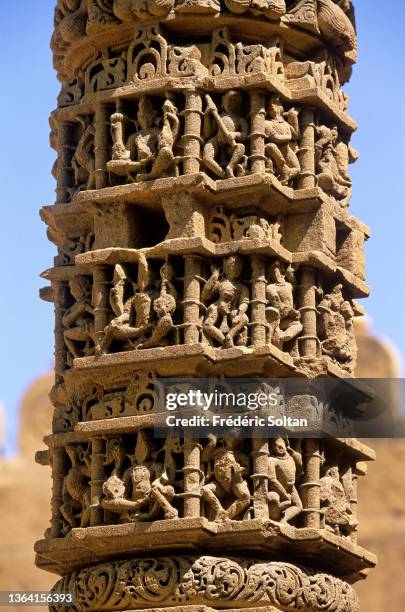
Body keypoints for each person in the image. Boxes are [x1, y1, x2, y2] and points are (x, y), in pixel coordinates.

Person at [202, 255, 249, 348]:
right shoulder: (221, 283)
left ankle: (230, 336)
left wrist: (239, 315)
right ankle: (224, 342)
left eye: (239, 267)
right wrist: (214, 276)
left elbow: (244, 302)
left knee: (244, 318)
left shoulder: (242, 287)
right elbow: (205, 296)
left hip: (233, 309)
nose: (235, 269)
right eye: (232, 266)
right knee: (207, 325)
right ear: (225, 267)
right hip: (218, 306)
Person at [203, 91, 248, 178]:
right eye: (230, 100)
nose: (233, 103)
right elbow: (208, 134)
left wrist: (235, 134)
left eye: (236, 101)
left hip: (230, 146)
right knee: (207, 158)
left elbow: (245, 135)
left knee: (241, 147)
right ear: (223, 101)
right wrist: (207, 116)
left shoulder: (240, 120)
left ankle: (230, 168)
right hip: (216, 141)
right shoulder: (219, 117)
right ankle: (222, 174)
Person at [264, 96, 300, 185]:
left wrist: (294, 117)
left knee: (297, 169)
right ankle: (282, 170)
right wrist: (288, 137)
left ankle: (283, 175)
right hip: (275, 149)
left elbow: (297, 135)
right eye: (271, 106)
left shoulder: (286, 124)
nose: (274, 107)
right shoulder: (267, 123)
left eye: (277, 105)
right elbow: (275, 138)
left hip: (287, 150)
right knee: (270, 146)